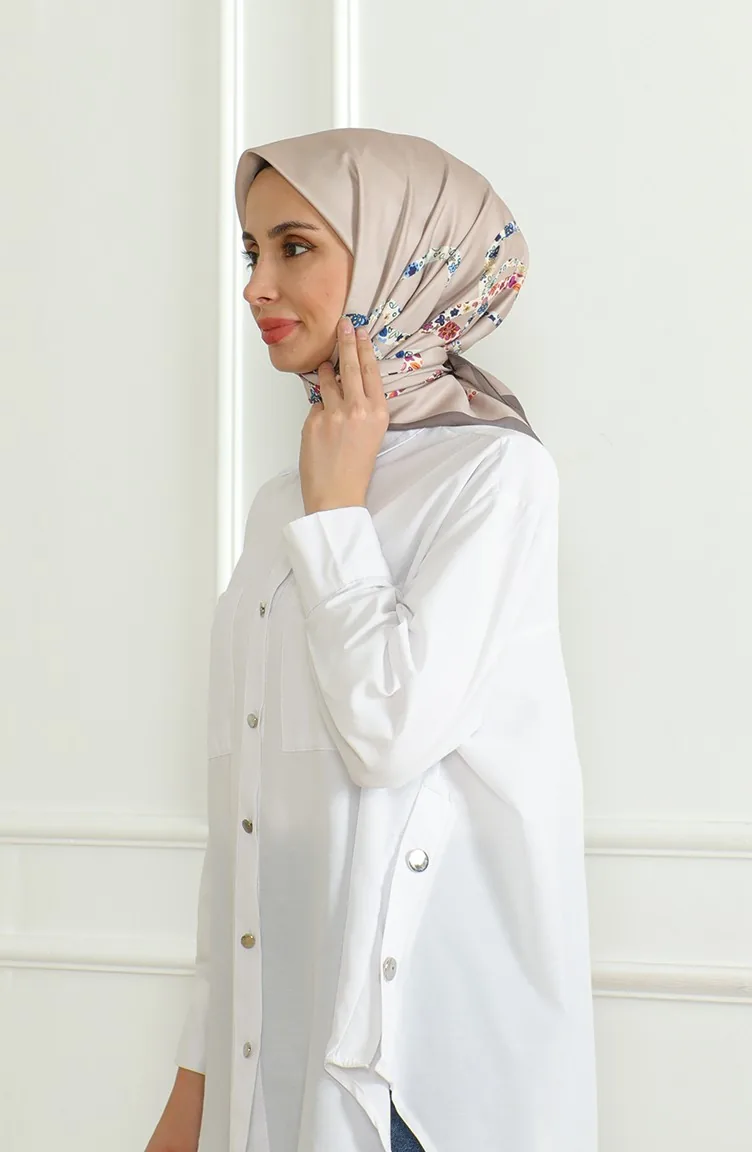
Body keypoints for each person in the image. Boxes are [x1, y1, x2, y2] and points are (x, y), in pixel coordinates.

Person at [146, 127, 598, 1152]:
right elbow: (250, 815)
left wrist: (340, 513)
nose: (257, 285)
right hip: (279, 1060)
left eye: (294, 246)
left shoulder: (495, 477)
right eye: (250, 251)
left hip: (421, 1078)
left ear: (405, 255)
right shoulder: (283, 501)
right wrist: (194, 1088)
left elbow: (389, 735)